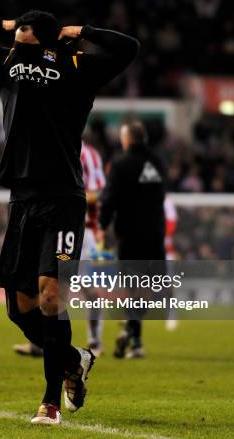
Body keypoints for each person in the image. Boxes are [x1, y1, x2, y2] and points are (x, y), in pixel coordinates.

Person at [0, 10, 139, 424]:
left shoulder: (76, 66)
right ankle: (75, 358)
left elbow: (128, 48)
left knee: (52, 296)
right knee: (19, 307)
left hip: (64, 199)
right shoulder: (9, 62)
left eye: (22, 32)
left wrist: (81, 32)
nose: (15, 38)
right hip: (22, 199)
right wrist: (2, 25)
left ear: (41, 36)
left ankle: (50, 401)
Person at [12, 140, 106, 357]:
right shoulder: (48, 147)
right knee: (42, 284)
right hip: (49, 225)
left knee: (86, 287)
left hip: (77, 228)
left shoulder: (88, 154)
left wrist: (69, 194)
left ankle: (95, 341)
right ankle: (40, 343)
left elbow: (96, 192)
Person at [99, 120, 166, 359]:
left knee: (131, 286)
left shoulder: (119, 164)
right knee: (148, 286)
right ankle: (135, 337)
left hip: (129, 235)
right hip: (155, 234)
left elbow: (109, 198)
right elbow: (160, 194)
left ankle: (131, 329)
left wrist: (102, 225)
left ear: (126, 139)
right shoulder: (157, 162)